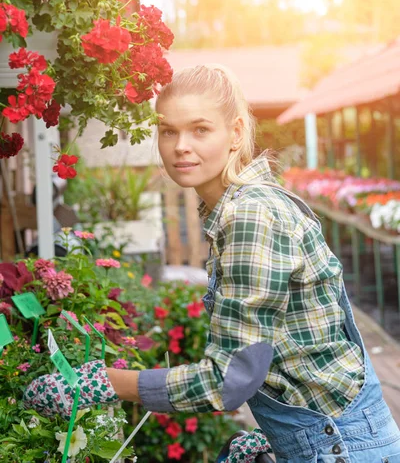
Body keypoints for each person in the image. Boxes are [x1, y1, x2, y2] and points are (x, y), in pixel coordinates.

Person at [24, 65, 400, 462]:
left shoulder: (250, 216)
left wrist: (105, 382)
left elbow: (228, 380)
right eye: (169, 131)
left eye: (200, 129)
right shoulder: (242, 206)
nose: (181, 145)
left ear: (236, 133)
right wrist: (283, 440)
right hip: (336, 437)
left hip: (338, 448)